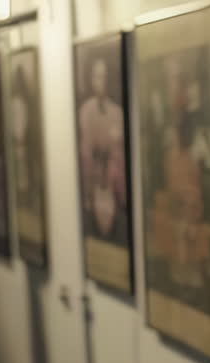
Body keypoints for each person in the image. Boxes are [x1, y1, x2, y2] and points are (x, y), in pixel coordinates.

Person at [77, 54, 128, 243]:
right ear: (91, 79)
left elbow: (120, 155)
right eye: (97, 76)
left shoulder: (117, 113)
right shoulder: (86, 111)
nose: (101, 82)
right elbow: (86, 155)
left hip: (114, 186)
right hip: (96, 184)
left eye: (105, 76)